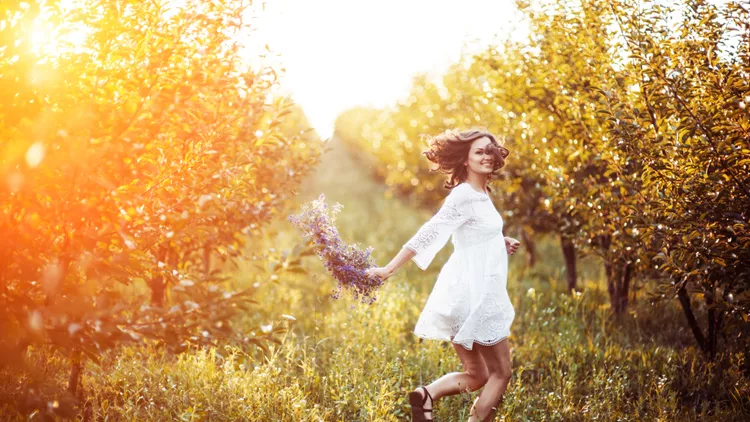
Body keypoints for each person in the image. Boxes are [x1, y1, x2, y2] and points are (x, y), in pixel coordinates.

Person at [365, 129, 520, 422]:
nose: (487, 156)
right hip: (477, 295)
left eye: (491, 150)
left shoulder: (480, 193)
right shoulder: (464, 195)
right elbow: (430, 232)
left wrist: (501, 240)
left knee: (477, 375)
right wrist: (388, 269)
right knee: (502, 372)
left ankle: (425, 395)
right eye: (479, 152)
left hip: (461, 293)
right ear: (464, 159)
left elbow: (474, 232)